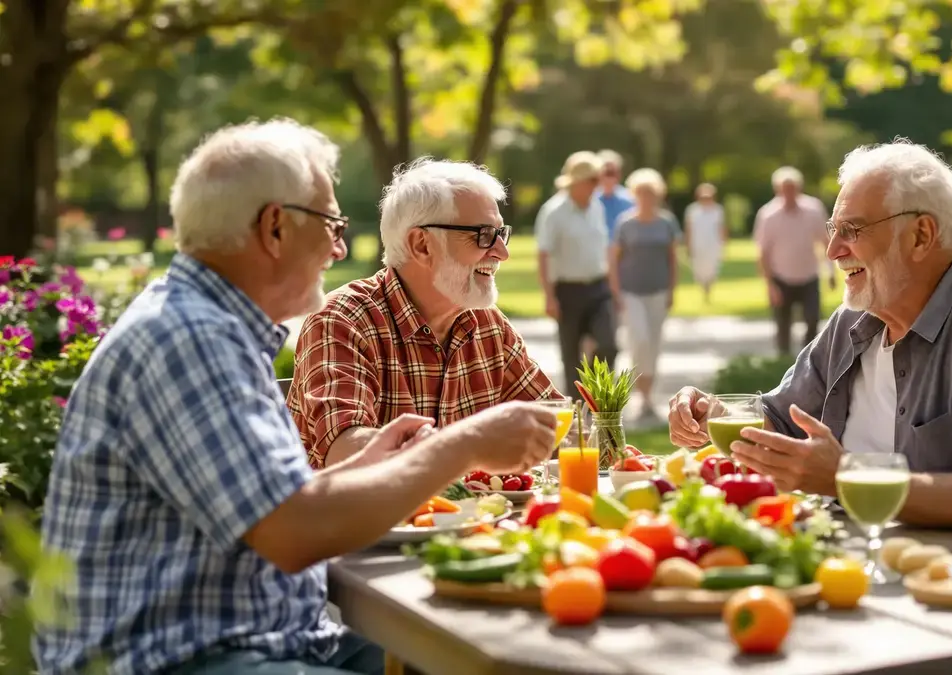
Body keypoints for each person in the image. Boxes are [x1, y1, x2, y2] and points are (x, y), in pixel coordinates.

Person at [34, 119, 560, 675]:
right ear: (275, 228)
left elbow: (275, 501)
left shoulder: (210, 325)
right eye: (332, 223)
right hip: (178, 657)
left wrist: (369, 463)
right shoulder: (189, 336)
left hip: (274, 638)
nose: (338, 247)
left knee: (473, 661)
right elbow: (293, 534)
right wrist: (464, 444)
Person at [667, 139, 952, 550]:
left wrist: (845, 476)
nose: (833, 250)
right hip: (878, 575)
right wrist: (717, 416)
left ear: (921, 236)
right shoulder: (857, 319)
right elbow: (782, 425)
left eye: (852, 230)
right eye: (834, 229)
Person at [287, 157, 559, 469]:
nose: (502, 252)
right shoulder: (342, 319)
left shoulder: (487, 324)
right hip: (361, 517)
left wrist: (605, 440)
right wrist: (470, 443)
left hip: (470, 518)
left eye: (501, 233)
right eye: (484, 234)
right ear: (422, 245)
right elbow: (346, 452)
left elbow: (552, 424)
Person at [535, 151, 619, 398]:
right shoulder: (554, 212)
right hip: (567, 290)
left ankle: (597, 394)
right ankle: (577, 413)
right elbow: (543, 256)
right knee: (571, 357)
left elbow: (603, 250)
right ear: (577, 181)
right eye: (592, 181)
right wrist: (549, 297)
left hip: (598, 288)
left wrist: (614, 289)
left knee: (609, 345)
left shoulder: (597, 207)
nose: (597, 186)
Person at [611, 168, 682, 421]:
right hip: (631, 292)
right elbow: (614, 259)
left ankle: (647, 397)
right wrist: (616, 291)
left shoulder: (667, 223)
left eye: (650, 193)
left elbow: (673, 259)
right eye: (641, 193)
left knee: (653, 343)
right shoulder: (625, 223)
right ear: (634, 195)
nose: (646, 198)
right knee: (639, 340)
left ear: (658, 195)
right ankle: (641, 393)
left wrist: (673, 290)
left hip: (659, 291)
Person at [753, 166, 836, 356]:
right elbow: (762, 253)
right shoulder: (768, 215)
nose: (789, 193)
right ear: (777, 190)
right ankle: (783, 361)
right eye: (785, 189)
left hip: (808, 275)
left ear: (799, 188)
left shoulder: (813, 209)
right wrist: (770, 285)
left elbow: (826, 242)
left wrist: (830, 271)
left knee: (813, 319)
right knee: (782, 324)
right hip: (781, 277)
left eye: (793, 188)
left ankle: (809, 358)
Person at [683, 182, 727, 304]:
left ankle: (708, 290)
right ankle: (703, 288)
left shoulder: (718, 210)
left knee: (712, 267)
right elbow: (688, 228)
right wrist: (688, 244)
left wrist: (723, 243)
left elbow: (721, 227)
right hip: (697, 243)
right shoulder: (692, 210)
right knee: (698, 268)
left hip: (713, 243)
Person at [596, 149, 635, 241]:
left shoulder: (630, 199)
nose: (609, 178)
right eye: (606, 173)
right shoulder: (588, 199)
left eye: (612, 173)